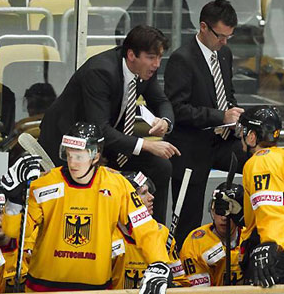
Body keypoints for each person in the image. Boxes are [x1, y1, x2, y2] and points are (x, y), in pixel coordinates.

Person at [0, 122, 172, 293]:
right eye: (69, 155)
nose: (73, 163)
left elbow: (144, 227)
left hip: (95, 289)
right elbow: (17, 232)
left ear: (95, 156)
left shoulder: (117, 185)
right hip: (43, 287)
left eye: (79, 156)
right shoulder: (45, 183)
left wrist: (158, 262)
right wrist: (14, 202)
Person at [38, 25, 179, 224]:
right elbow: (100, 128)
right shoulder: (100, 72)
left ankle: (155, 237)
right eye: (151, 57)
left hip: (104, 143)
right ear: (131, 55)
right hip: (68, 143)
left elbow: (162, 101)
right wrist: (147, 144)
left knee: (161, 167)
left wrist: (165, 121)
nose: (156, 64)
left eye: (159, 57)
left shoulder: (145, 69)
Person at [163, 0, 247, 248]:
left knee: (259, 165)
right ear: (203, 27)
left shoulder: (225, 53)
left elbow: (227, 94)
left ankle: (247, 244)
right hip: (190, 145)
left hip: (222, 141)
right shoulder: (182, 59)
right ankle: (181, 266)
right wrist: (220, 116)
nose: (224, 42)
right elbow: (178, 110)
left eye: (229, 37)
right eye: (220, 36)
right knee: (188, 219)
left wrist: (236, 120)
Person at [225, 106, 284, 287]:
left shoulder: (259, 161)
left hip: (275, 253)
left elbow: (271, 208)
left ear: (252, 136)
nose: (241, 138)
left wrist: (269, 245)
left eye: (243, 132)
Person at [111, 171, 190, 289]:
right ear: (128, 199)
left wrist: (171, 286)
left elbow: (181, 281)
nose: (151, 197)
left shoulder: (163, 233)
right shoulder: (108, 234)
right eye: (143, 193)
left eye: (149, 192)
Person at [180, 182, 244, 286]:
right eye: (219, 210)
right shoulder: (196, 243)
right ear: (212, 211)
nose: (223, 217)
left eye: (230, 210)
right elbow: (198, 292)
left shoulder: (251, 237)